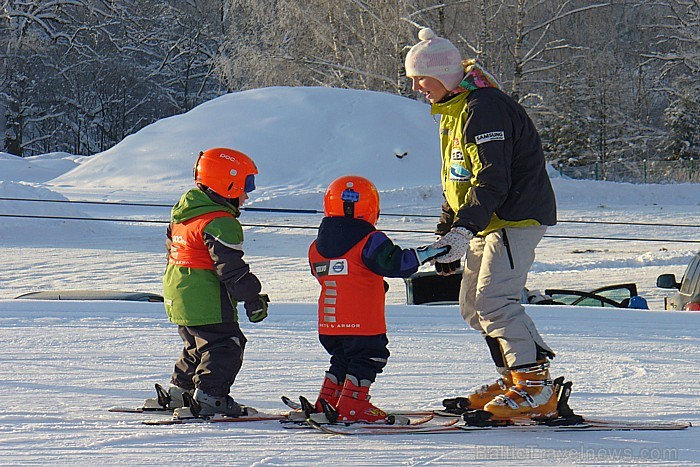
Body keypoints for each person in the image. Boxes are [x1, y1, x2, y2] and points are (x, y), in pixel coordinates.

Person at [404, 28, 559, 420]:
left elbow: (493, 180)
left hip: (513, 216)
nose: (417, 88)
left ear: (442, 75)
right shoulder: (456, 112)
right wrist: (446, 237)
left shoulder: (484, 107)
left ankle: (534, 387)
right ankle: (517, 379)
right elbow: (456, 182)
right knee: (474, 307)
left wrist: (462, 231)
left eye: (419, 79)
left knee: (495, 301)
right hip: (486, 220)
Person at [307, 175, 446, 423]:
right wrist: (427, 254)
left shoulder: (315, 247)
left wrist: (370, 283)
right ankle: (353, 406)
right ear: (372, 208)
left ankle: (327, 401)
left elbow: (339, 274)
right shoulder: (370, 240)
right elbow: (396, 264)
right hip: (362, 322)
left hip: (329, 323)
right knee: (368, 357)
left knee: (343, 359)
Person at [160, 147, 270, 417]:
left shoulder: (183, 216)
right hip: (205, 295)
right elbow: (230, 268)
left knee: (196, 345)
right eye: (246, 185)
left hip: (178, 293)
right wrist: (253, 297)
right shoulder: (220, 221)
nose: (247, 195)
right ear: (227, 183)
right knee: (226, 344)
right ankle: (211, 396)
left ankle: (180, 391)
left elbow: (172, 252)